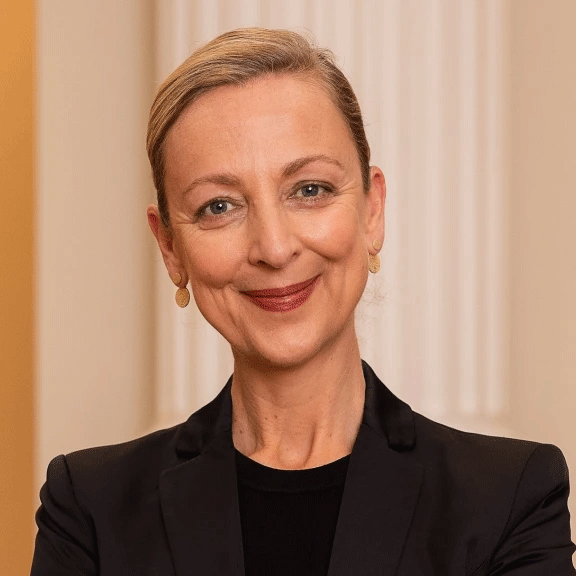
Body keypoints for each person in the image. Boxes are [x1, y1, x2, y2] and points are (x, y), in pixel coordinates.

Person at [31, 27, 575, 576]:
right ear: (171, 247)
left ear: (372, 211)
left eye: (310, 190)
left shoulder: (511, 499)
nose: (273, 248)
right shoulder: (88, 508)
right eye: (219, 206)